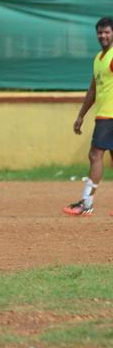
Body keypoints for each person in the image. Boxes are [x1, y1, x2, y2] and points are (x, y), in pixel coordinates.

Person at [64, 17, 113, 216]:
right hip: (103, 114)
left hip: (109, 116)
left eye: (107, 32)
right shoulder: (98, 59)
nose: (103, 35)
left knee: (95, 155)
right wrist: (81, 115)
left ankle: (86, 203)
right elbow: (93, 90)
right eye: (100, 32)